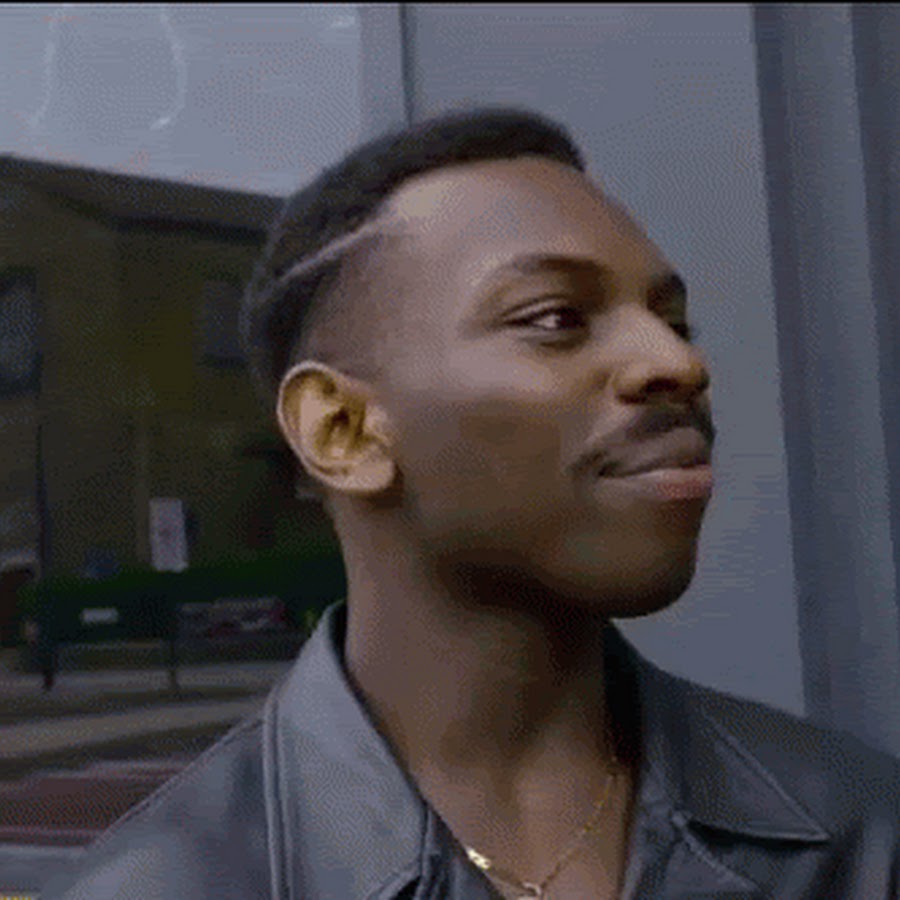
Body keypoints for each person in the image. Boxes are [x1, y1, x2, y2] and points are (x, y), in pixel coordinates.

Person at [42, 108, 900, 899]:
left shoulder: (856, 835)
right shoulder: (168, 886)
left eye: (675, 322)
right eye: (555, 318)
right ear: (342, 430)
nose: (677, 363)